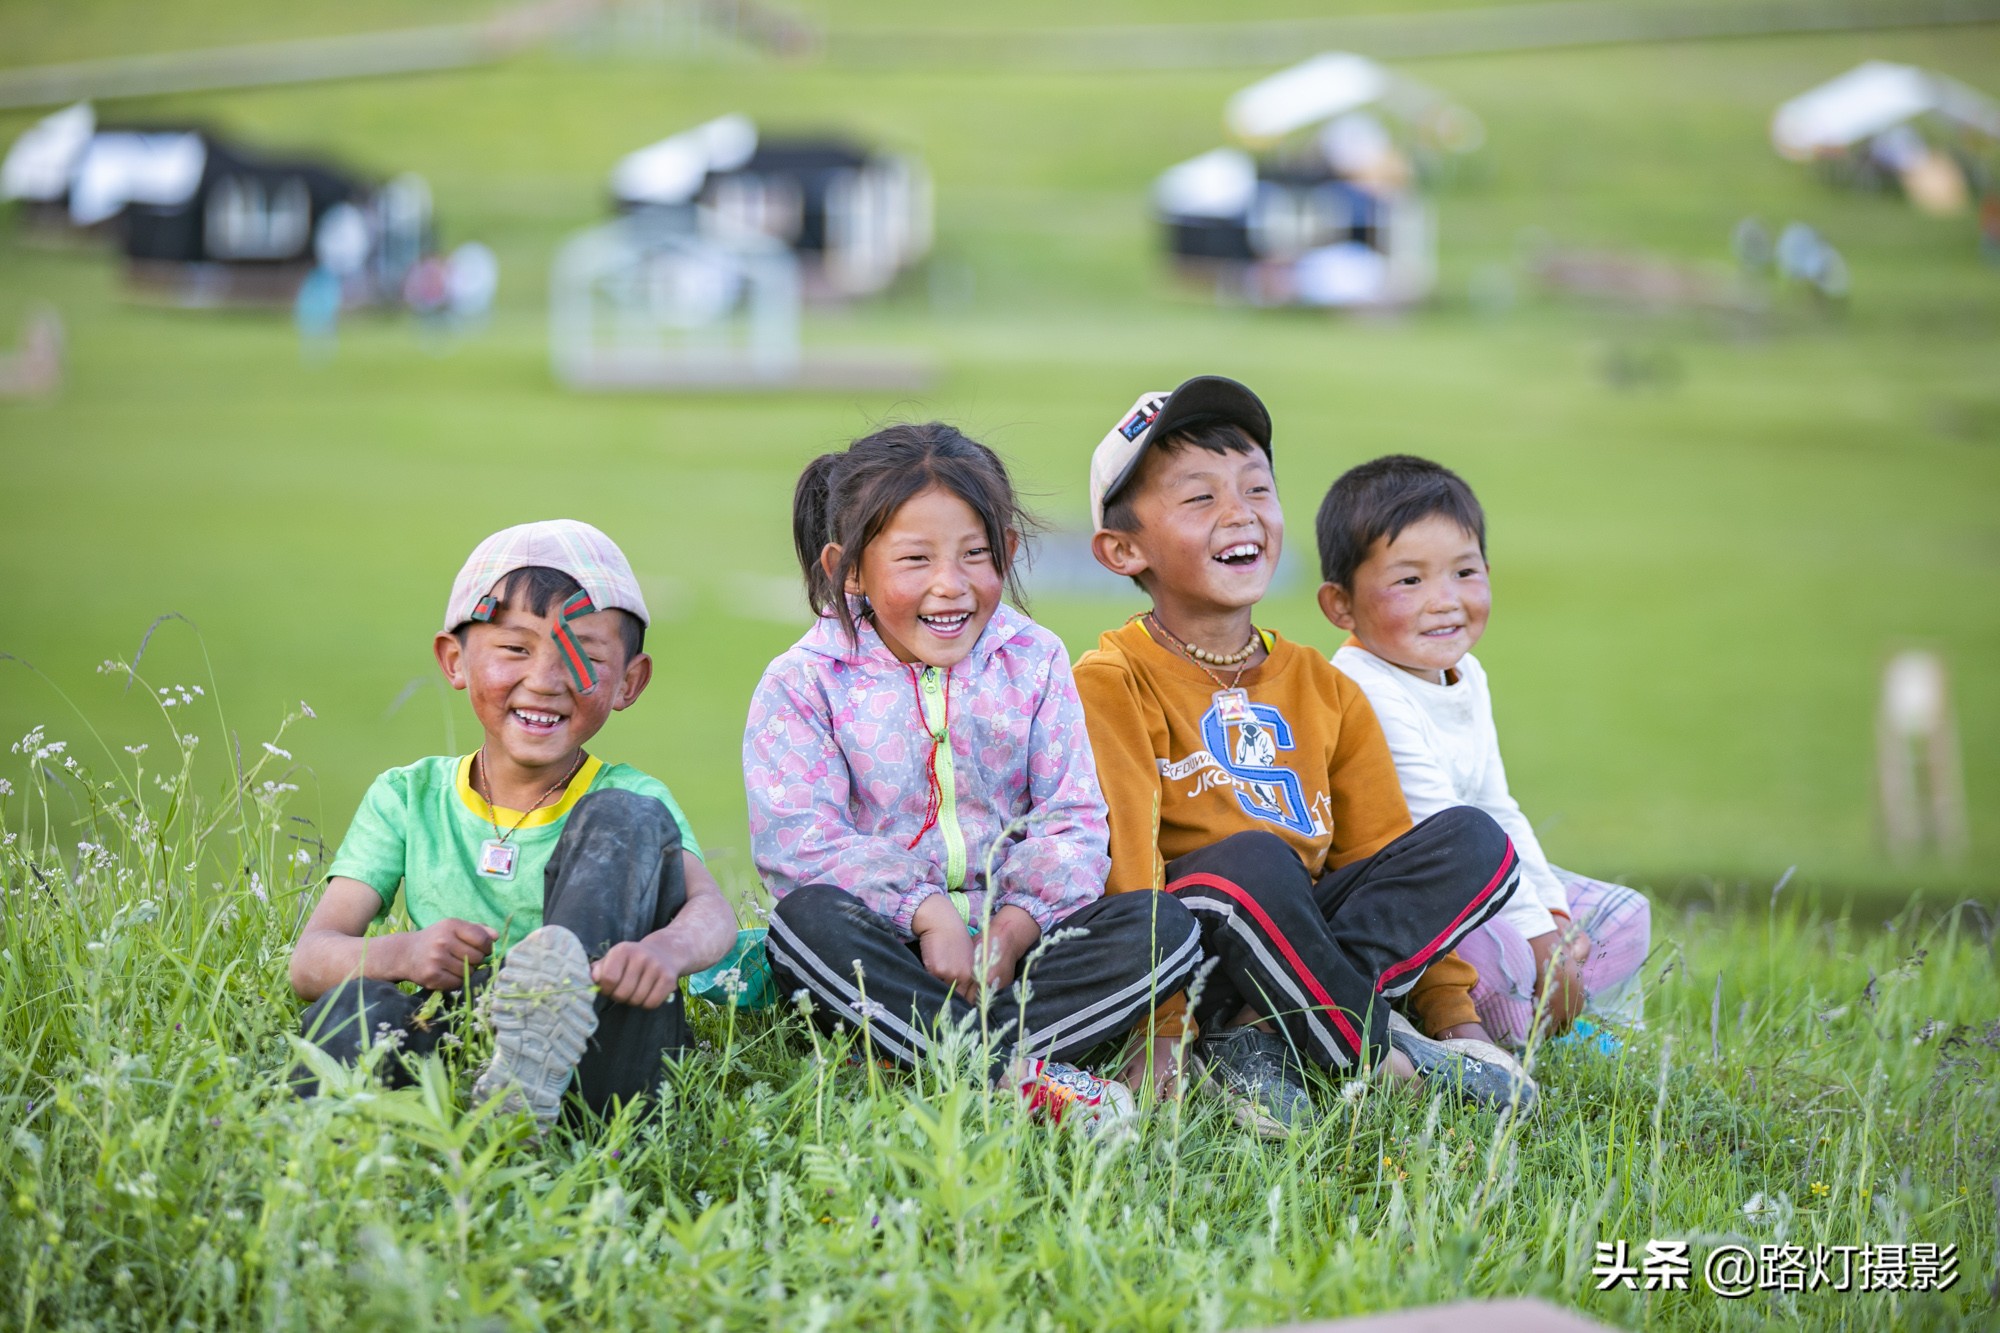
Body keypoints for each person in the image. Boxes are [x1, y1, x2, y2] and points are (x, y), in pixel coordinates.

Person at [1073, 376, 1533, 1136]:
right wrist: (1161, 1031)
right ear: (1124, 549)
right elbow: (1130, 867)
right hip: (1195, 951)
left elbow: (1379, 849)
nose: (1241, 512)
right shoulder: (1113, 679)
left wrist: (1458, 1018)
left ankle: (1260, 1038)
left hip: (1311, 941)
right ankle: (1376, 1057)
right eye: (1199, 499)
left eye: (1257, 486)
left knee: (1473, 840)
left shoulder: (1323, 685)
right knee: (1254, 862)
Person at [744, 423, 1203, 1127]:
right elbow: (799, 840)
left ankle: (931, 1058)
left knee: (1162, 928)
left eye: (975, 555)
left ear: (1009, 552)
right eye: (914, 560)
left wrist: (1012, 930)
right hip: (887, 949)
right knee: (805, 926)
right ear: (851, 570)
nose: (949, 585)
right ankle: (1014, 1074)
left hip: (1018, 957)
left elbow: (1072, 818)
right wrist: (925, 914)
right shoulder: (806, 681)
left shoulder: (1035, 658)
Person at [289, 520, 740, 1124]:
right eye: (515, 649)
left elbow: (713, 912)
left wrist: (664, 952)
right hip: (456, 1043)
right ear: (455, 660)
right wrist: (406, 953)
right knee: (353, 1011)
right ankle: (357, 1141)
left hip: (600, 1053)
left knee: (626, 817)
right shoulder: (407, 796)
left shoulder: (630, 797)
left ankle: (543, 1046)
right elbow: (312, 959)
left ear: (629, 681)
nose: (546, 680)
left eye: (583, 654)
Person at [1317, 455, 1651, 1048]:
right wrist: (1538, 943)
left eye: (1464, 573)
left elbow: (1498, 807)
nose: (1445, 600)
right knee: (1515, 968)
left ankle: (1556, 1019)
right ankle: (1484, 1030)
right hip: (1414, 907)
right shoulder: (1363, 687)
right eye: (1409, 580)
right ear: (1340, 605)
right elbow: (1451, 836)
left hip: (1486, 883)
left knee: (1625, 916)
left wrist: (1552, 918)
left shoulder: (1464, 672)